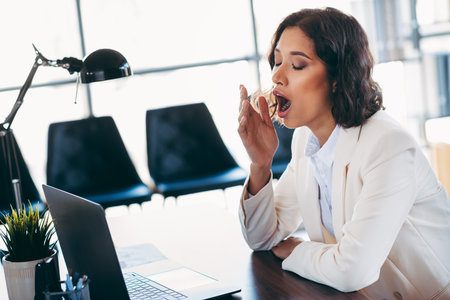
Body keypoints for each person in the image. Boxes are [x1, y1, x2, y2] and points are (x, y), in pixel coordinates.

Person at [237, 7, 450, 299]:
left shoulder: (388, 145)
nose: (277, 77)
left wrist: (299, 249)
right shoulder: (305, 141)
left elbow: (352, 270)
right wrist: (260, 164)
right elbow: (262, 237)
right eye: (276, 62)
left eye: (297, 65)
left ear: (337, 76)